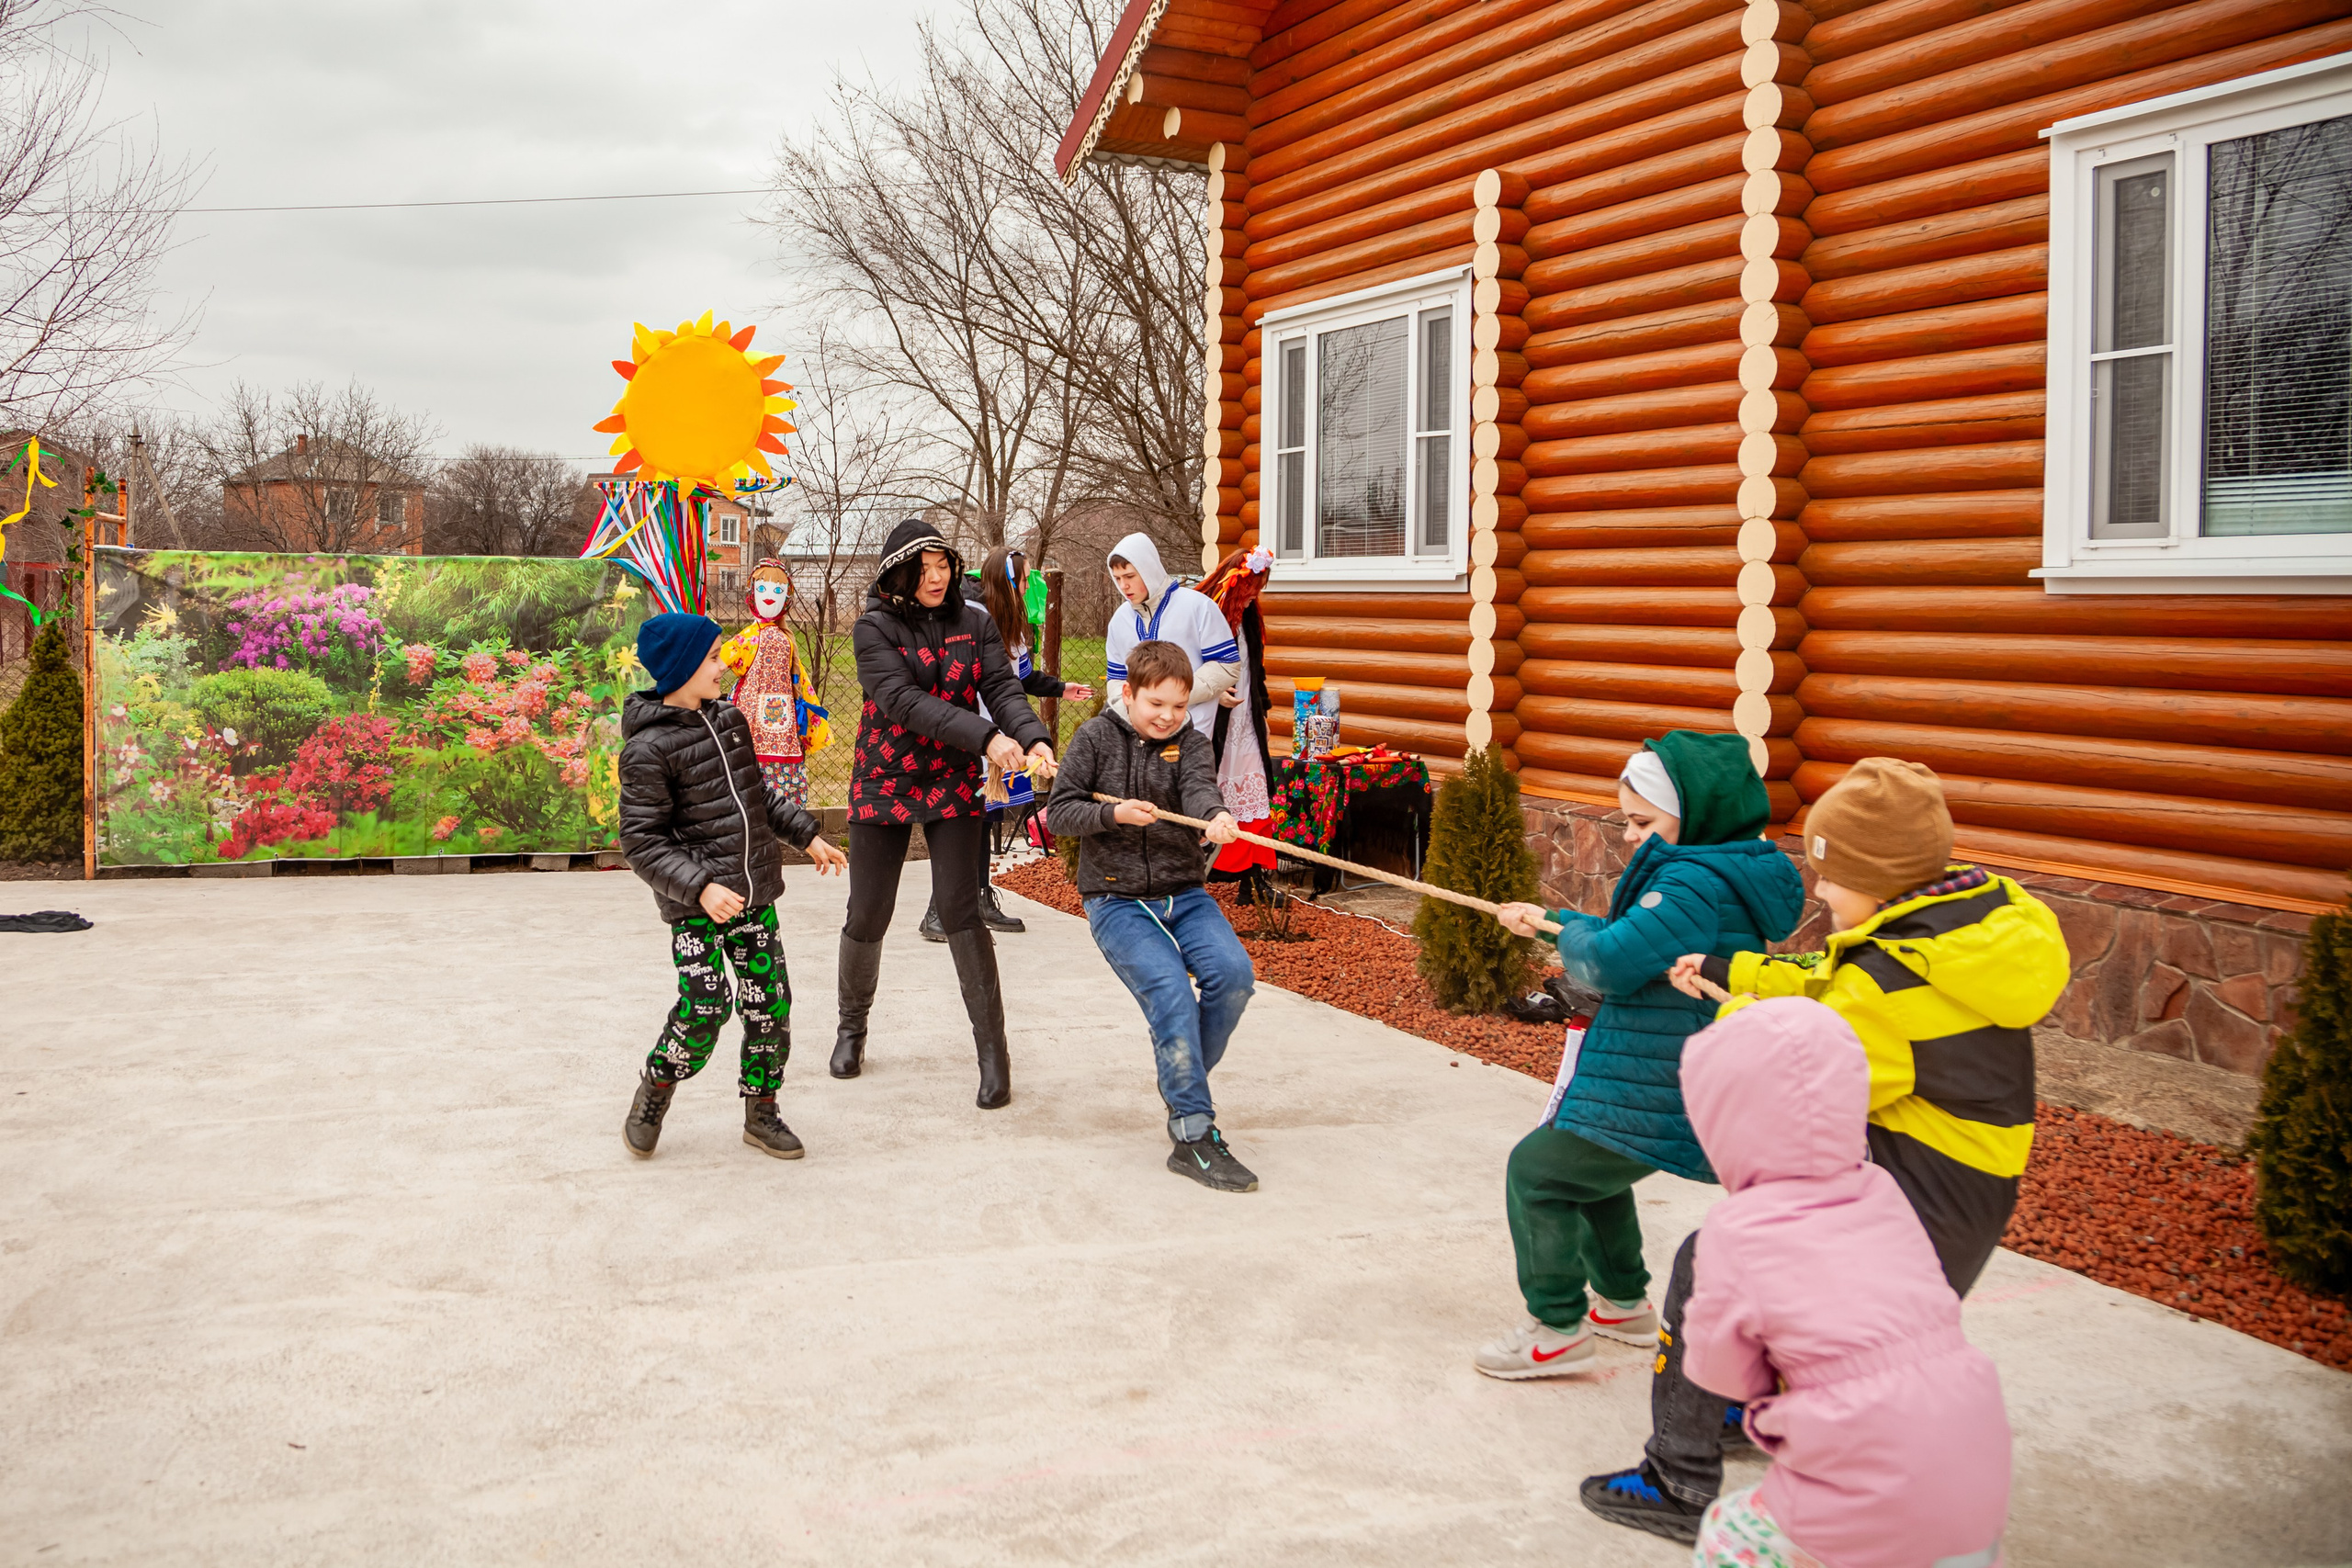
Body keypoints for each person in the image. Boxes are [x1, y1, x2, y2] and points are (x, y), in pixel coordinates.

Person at [1579, 756, 2068, 1543]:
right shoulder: (1953, 932)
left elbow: (1804, 1078)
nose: (1824, 893)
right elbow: (1829, 977)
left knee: (1713, 1263)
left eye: (1831, 876)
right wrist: (1730, 967)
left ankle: (1678, 1476)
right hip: (1967, 1188)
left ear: (1873, 875)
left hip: (1923, 1205)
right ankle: (1743, 1410)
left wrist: (1735, 1016)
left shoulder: (1885, 982)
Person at [1481, 733, 1805, 1376]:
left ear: (1696, 813)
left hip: (1658, 1077)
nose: (1631, 835)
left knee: (1539, 1173)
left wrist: (1572, 935)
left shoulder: (1690, 878)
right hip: (1660, 1067)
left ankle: (1556, 1326)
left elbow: (1608, 962)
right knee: (1592, 1171)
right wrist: (1549, 919)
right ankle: (1623, 1302)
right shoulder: (1714, 869)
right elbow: (1639, 940)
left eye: (1643, 821)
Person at [1675, 997, 2013, 1568]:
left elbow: (1720, 1372)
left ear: (1720, 1119)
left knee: (1729, 1534)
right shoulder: (1881, 1190)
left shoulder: (1738, 1228)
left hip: (1863, 1491)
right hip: (1979, 1465)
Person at [833, 518, 1056, 1109]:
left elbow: (1004, 689)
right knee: (870, 909)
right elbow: (901, 701)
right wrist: (987, 739)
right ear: (898, 573)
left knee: (961, 910)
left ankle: (993, 1055)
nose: (936, 578)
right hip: (885, 774)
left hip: (953, 777)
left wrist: (1031, 737)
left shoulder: (976, 622)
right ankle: (851, 1028)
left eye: (944, 566)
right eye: (924, 568)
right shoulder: (873, 628)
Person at [617, 610, 849, 1161]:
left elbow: (758, 797)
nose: (724, 665)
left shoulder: (729, 721)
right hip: (697, 908)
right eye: (715, 657)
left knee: (770, 1004)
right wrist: (699, 889)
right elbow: (641, 841)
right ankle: (657, 1084)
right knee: (705, 1010)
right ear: (682, 669)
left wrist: (807, 836)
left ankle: (761, 1111)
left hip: (753, 897)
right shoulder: (647, 750)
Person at [1045, 638, 1259, 1192]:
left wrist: (1214, 816)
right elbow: (1061, 812)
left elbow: (1198, 789)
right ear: (1128, 693)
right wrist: (1112, 813)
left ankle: (1180, 1077)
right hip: (1115, 900)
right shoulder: (1094, 737)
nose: (1167, 716)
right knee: (1170, 994)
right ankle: (1192, 1135)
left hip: (1184, 892)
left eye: (1179, 706)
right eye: (1155, 703)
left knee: (1234, 977)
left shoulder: (1189, 743)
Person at [919, 544, 1093, 942]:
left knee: (983, 822)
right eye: (1026, 578)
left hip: (1001, 740)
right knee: (962, 823)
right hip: (971, 738)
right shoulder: (974, 622)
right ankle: (937, 911)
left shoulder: (1010, 628)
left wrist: (1062, 688)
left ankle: (979, 899)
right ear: (1007, 580)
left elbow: (1022, 679)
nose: (1031, 586)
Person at [1195, 547, 1278, 905]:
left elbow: (1255, 671)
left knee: (1256, 794)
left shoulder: (1248, 619)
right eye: (1249, 591)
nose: (1253, 598)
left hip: (1247, 722)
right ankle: (1198, 877)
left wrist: (1264, 715)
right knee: (1211, 792)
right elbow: (1187, 665)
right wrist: (1215, 694)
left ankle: (1254, 880)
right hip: (1215, 725)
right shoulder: (1205, 615)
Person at [717, 558, 831, 810]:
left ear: (786, 598)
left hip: (761, 722)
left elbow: (718, 664)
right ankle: (783, 818)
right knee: (774, 769)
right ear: (752, 594)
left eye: (778, 590)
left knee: (749, 767)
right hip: (779, 725)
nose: (770, 595)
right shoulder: (773, 638)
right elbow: (803, 684)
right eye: (763, 589)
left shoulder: (760, 638)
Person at [1102, 532, 1239, 739]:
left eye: (1130, 576)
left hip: (1192, 725)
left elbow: (1226, 663)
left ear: (1149, 570)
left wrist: (1175, 696)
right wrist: (1130, 712)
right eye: (1118, 578)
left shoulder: (1198, 606)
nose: (1123, 586)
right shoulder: (1119, 620)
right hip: (1139, 733)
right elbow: (1117, 678)